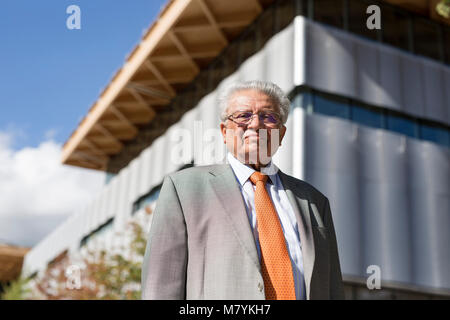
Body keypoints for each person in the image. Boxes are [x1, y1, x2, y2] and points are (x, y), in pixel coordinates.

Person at [141, 80, 344, 300]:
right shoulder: (184, 189)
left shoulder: (314, 200)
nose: (255, 124)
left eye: (269, 116)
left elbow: (332, 288)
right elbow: (161, 286)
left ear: (281, 134)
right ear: (224, 131)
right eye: (243, 116)